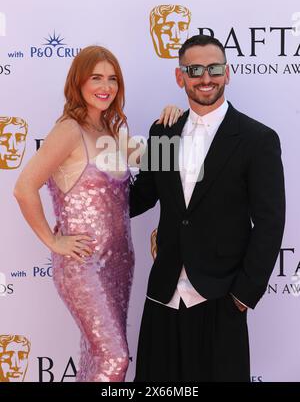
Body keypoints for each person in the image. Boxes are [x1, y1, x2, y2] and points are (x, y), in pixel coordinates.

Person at [14, 45, 182, 382]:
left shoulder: (109, 132)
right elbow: (24, 187)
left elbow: (155, 166)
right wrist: (53, 240)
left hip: (120, 261)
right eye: (96, 78)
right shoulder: (69, 130)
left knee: (96, 356)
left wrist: (174, 117)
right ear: (79, 82)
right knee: (114, 357)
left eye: (113, 79)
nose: (106, 86)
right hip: (83, 263)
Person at [129, 34, 286, 382]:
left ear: (227, 73)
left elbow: (271, 222)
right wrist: (88, 190)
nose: (205, 78)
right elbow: (143, 197)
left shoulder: (257, 139)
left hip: (221, 297)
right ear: (180, 76)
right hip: (164, 293)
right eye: (194, 69)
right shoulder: (163, 134)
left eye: (214, 68)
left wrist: (243, 295)